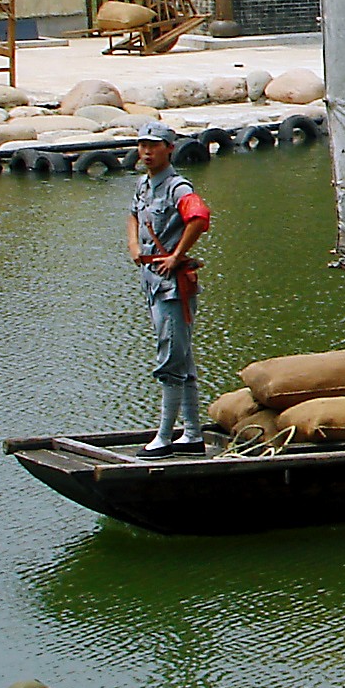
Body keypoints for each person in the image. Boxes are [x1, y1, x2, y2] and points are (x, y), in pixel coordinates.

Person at [128, 123, 211, 457]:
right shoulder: (144, 185)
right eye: (143, 145)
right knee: (182, 358)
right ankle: (192, 435)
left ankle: (164, 437)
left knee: (171, 359)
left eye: (155, 146)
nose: (147, 152)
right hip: (152, 281)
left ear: (169, 149)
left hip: (173, 287)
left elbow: (200, 216)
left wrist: (177, 256)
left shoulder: (178, 187)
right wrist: (133, 245)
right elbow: (133, 215)